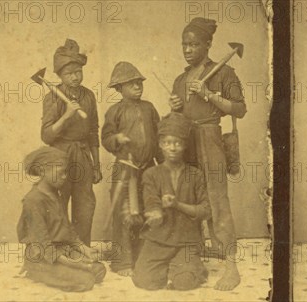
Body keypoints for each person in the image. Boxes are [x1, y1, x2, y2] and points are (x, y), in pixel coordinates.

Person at [168, 17, 246, 290]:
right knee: (186, 195)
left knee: (216, 199)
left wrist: (209, 94)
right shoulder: (180, 79)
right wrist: (175, 105)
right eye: (184, 44)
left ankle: (230, 265)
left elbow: (239, 109)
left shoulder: (224, 73)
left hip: (210, 140)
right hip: (184, 140)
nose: (187, 49)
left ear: (208, 44)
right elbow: (179, 115)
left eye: (193, 44)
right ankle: (192, 257)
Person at [132, 113, 212, 291]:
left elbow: (206, 210)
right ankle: (172, 268)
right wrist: (154, 213)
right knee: (145, 281)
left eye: (177, 143)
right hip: (159, 240)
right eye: (167, 143)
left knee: (184, 283)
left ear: (184, 145)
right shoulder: (151, 174)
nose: (172, 148)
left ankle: (187, 268)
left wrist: (178, 205)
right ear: (160, 145)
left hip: (187, 241)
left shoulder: (195, 174)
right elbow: (151, 201)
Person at [101, 62, 162, 276]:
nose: (137, 86)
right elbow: (106, 138)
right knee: (123, 213)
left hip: (148, 169)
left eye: (139, 82)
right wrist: (116, 138)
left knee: (149, 210)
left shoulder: (149, 108)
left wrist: (162, 165)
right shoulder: (114, 111)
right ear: (119, 88)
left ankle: (146, 256)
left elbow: (159, 135)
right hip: (125, 169)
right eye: (131, 83)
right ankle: (122, 262)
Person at [18, 147, 106, 292]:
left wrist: (85, 250)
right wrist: (80, 265)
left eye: (66, 172)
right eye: (61, 172)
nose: (65, 177)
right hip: (44, 255)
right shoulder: (33, 200)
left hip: (61, 250)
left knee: (99, 270)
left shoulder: (55, 194)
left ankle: (62, 271)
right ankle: (35, 269)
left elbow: (67, 230)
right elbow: (44, 246)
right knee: (86, 280)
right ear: (42, 170)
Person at [41, 39, 101, 245]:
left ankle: (81, 249)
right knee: (59, 202)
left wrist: (96, 165)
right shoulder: (53, 98)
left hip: (83, 154)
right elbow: (46, 136)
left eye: (78, 72)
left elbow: (93, 132)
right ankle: (60, 249)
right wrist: (67, 115)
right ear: (59, 75)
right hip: (60, 156)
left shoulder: (89, 96)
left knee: (85, 204)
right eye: (69, 73)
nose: (75, 77)